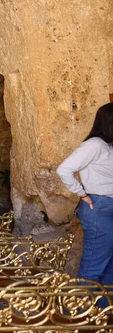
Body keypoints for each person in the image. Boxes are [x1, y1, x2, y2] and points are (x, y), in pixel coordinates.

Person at [57, 102, 113, 292]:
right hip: (99, 208)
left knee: (109, 268)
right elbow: (64, 169)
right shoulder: (94, 145)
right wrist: (82, 194)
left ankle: (102, 314)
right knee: (93, 268)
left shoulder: (106, 146)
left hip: (107, 207)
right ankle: (80, 313)